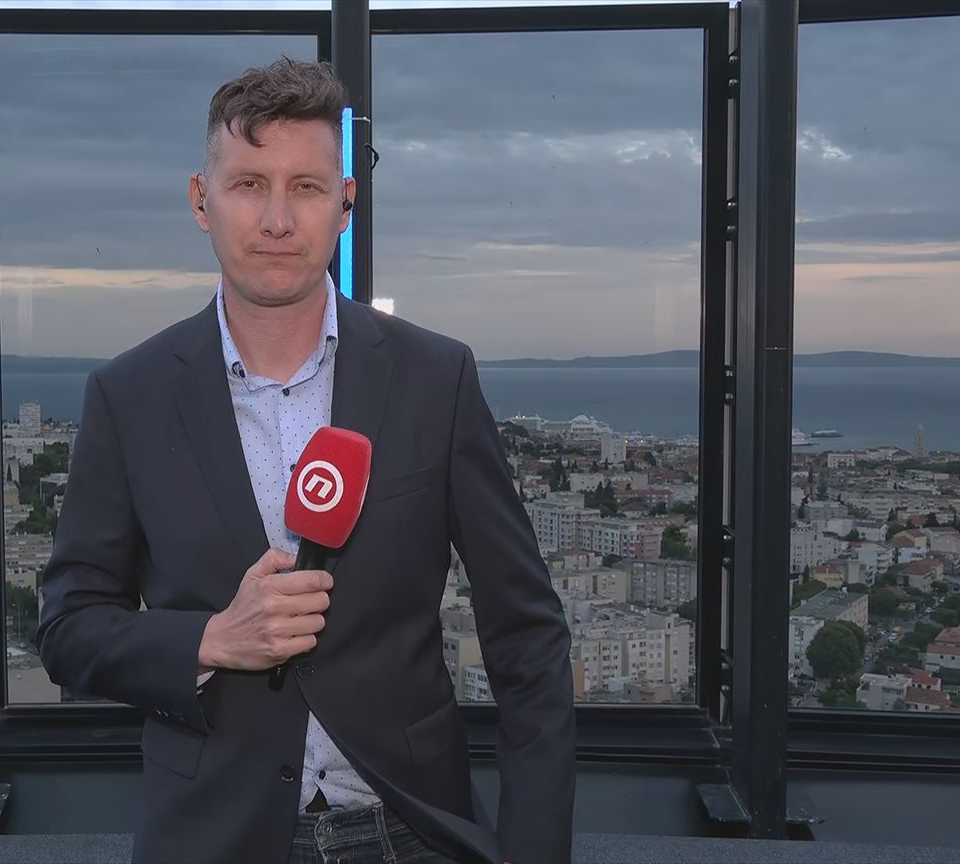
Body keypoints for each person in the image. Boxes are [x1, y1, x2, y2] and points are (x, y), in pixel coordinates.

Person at [36, 57, 574, 864]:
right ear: (201, 200)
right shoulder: (128, 395)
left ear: (345, 204)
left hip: (412, 830)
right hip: (214, 837)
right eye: (249, 184)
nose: (278, 219)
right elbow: (69, 628)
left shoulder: (437, 379)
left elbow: (527, 638)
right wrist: (212, 640)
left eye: (307, 188)